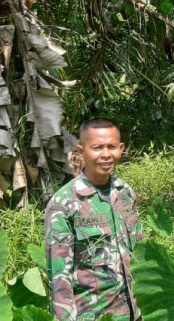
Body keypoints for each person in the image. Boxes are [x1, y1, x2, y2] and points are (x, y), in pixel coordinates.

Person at [45, 118, 144, 321]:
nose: (106, 155)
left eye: (112, 147)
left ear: (121, 148)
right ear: (81, 152)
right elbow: (59, 280)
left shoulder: (124, 192)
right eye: (97, 148)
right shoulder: (64, 204)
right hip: (93, 315)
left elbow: (140, 251)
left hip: (135, 312)